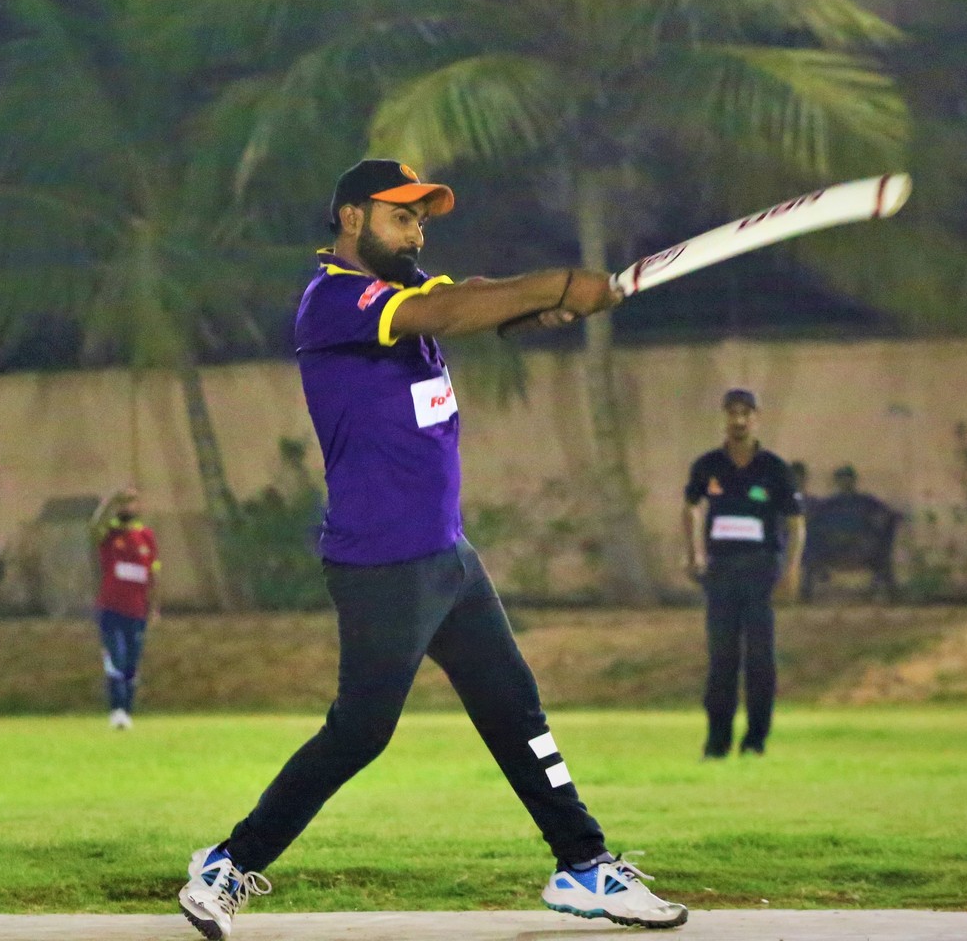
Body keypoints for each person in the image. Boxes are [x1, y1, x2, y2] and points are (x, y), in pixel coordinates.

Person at [177, 159, 688, 938]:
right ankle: (227, 865)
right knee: (359, 733)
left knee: (515, 710)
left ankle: (582, 865)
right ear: (352, 218)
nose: (415, 232)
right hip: (381, 563)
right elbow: (443, 311)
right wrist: (561, 283)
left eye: (420, 220)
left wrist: (541, 307)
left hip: (446, 557)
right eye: (400, 216)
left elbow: (468, 296)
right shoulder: (335, 300)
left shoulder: (403, 290)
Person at [682, 389, 804, 760]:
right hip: (720, 572)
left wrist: (791, 570)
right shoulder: (708, 465)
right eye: (732, 413)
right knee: (722, 659)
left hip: (760, 571)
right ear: (724, 417)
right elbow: (691, 507)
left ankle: (755, 741)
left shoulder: (773, 468)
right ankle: (717, 743)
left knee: (760, 660)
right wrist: (694, 553)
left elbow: (796, 523)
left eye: (746, 413)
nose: (738, 421)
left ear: (756, 418)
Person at [90, 487, 159, 730]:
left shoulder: (146, 536)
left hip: (137, 611)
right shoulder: (110, 533)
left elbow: (152, 574)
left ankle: (127, 711)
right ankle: (116, 709)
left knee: (131, 663)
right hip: (111, 609)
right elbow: (94, 528)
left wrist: (154, 606)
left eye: (131, 502)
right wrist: (109, 502)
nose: (127, 506)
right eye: (123, 502)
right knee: (115, 659)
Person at [804, 465, 900, 601]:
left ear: (854, 480)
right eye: (842, 478)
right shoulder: (829, 504)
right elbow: (813, 521)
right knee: (811, 542)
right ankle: (805, 593)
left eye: (848, 478)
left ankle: (891, 594)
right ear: (837, 481)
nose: (845, 481)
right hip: (832, 546)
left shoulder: (866, 502)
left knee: (880, 552)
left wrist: (881, 527)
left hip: (861, 546)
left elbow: (889, 515)